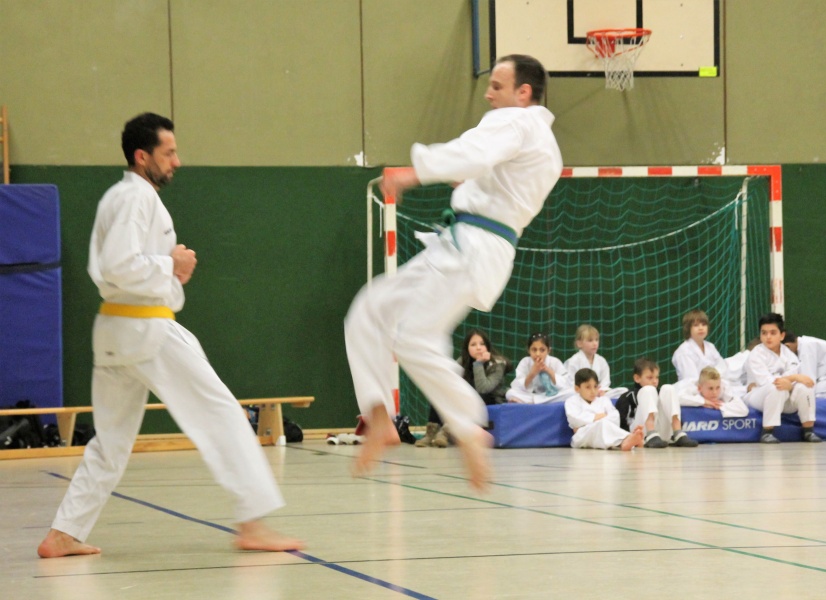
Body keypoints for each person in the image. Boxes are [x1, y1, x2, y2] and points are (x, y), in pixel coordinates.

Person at [37, 113, 301, 559]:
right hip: (146, 328)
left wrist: (170, 271)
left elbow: (120, 267)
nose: (177, 161)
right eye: (169, 152)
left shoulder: (121, 196)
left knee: (111, 442)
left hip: (116, 330)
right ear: (143, 157)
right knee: (222, 413)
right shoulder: (136, 198)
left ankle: (63, 532)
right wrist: (171, 265)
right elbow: (119, 265)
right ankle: (253, 523)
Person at [344, 54, 563, 491]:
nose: (489, 94)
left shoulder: (520, 122)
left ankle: (467, 426)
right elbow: (491, 170)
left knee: (413, 336)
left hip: (474, 247)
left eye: (497, 86)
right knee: (368, 311)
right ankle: (379, 414)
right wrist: (468, 183)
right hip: (470, 244)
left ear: (524, 93)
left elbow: (474, 152)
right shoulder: (540, 142)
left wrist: (414, 173)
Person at [417, 329, 512, 448]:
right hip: (470, 398)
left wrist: (478, 363)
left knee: (470, 395)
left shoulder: (498, 364)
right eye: (473, 344)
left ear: (487, 346)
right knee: (442, 393)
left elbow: (484, 388)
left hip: (489, 399)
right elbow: (449, 380)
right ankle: (431, 433)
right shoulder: (463, 360)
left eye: (482, 344)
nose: (478, 348)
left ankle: (446, 432)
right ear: (467, 348)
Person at [744, 313, 822, 443]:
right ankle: (767, 432)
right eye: (764, 333)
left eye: (773, 333)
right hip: (758, 396)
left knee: (805, 387)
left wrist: (791, 382)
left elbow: (791, 381)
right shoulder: (756, 355)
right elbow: (767, 382)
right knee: (776, 388)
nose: (768, 337)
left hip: (784, 396)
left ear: (782, 335)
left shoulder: (789, 355)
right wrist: (794, 378)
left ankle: (808, 431)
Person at [615, 358, 698, 448]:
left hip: (662, 435)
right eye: (650, 378)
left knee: (668, 388)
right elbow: (622, 421)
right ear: (637, 378)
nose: (655, 381)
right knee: (648, 390)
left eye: (656, 377)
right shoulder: (628, 396)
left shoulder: (661, 393)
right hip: (639, 435)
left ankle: (678, 434)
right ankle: (651, 433)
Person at [565, 369, 643, 451]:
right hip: (581, 436)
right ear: (577, 388)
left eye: (595, 387)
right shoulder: (571, 401)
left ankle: (626, 441)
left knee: (603, 424)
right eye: (588, 387)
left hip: (601, 429)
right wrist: (597, 417)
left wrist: (592, 421)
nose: (593, 391)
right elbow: (574, 420)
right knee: (601, 424)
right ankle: (627, 438)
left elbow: (615, 417)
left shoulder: (604, 400)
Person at [506, 332, 575, 404]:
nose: (538, 354)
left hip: (551, 395)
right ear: (528, 350)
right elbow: (518, 386)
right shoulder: (525, 362)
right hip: (531, 395)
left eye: (542, 350)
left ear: (548, 350)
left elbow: (565, 384)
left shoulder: (554, 361)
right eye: (534, 350)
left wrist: (548, 370)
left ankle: (533, 403)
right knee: (510, 393)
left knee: (572, 392)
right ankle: (539, 402)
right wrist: (532, 373)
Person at [672, 309, 727, 384]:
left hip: (715, 385)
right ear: (688, 328)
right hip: (692, 388)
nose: (701, 328)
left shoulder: (710, 346)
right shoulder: (683, 351)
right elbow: (690, 378)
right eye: (696, 325)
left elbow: (722, 367)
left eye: (704, 325)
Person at [675, 366, 750, 418]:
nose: (715, 392)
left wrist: (719, 406)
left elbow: (744, 410)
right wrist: (704, 402)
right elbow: (677, 398)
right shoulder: (691, 387)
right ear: (699, 388)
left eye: (717, 388)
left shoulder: (724, 387)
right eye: (710, 389)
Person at [563, 324, 611, 394]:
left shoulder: (601, 361)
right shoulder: (573, 362)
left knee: (622, 390)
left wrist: (600, 390)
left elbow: (605, 382)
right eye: (590, 340)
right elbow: (570, 384)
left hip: (599, 393)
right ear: (579, 343)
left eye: (596, 340)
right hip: (578, 394)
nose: (595, 344)